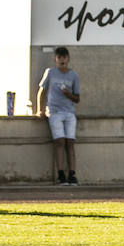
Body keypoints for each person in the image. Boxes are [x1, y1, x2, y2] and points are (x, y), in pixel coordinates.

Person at [36, 46, 80, 186]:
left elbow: (77, 98)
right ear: (56, 59)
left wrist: (69, 94)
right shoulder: (50, 73)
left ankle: (72, 173)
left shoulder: (73, 75)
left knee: (70, 143)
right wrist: (40, 110)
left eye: (64, 57)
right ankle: (61, 173)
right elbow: (42, 91)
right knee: (59, 142)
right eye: (59, 57)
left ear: (68, 59)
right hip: (54, 112)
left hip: (69, 112)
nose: (62, 60)